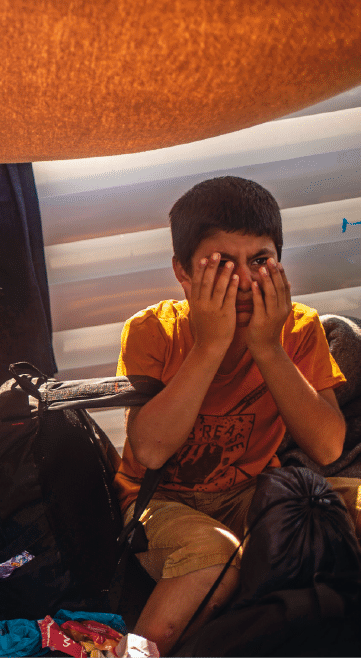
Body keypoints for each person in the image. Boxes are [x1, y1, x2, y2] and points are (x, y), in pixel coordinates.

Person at [115, 175, 361, 653]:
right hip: (157, 499)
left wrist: (268, 348)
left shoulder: (299, 328)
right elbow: (150, 451)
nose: (246, 282)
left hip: (251, 490)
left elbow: (329, 447)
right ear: (183, 272)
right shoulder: (152, 330)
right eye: (222, 265)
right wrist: (210, 345)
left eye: (260, 261)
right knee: (213, 554)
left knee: (347, 507)